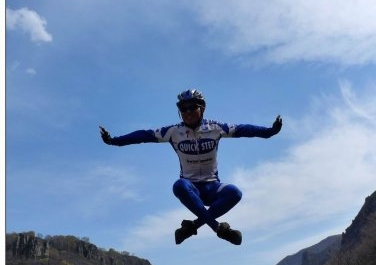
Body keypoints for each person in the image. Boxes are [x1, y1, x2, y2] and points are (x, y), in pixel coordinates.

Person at [99, 88, 282, 246]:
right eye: (183, 108)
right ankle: (219, 229)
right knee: (179, 185)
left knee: (235, 193)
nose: (188, 112)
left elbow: (244, 130)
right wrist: (114, 141)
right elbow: (143, 136)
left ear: (202, 108)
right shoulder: (173, 132)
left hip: (212, 187)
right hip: (191, 189)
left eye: (192, 107)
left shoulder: (215, 128)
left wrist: (270, 131)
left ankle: (192, 227)